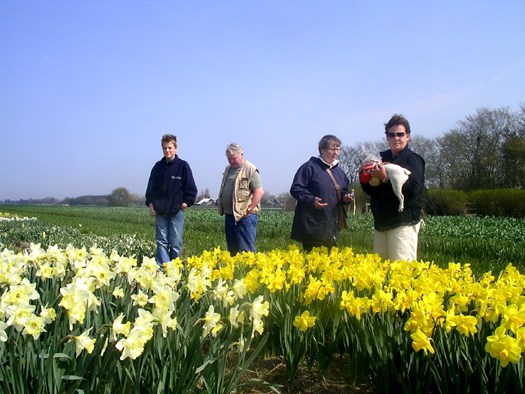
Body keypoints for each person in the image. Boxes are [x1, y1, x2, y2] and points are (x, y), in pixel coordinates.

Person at [359, 114, 425, 261]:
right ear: (387, 137)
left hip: (403, 222)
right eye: (391, 134)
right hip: (381, 222)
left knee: (401, 271)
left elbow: (412, 189)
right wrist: (365, 176)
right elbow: (370, 191)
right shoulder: (379, 159)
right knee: (380, 269)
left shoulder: (413, 159)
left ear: (408, 136)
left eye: (400, 134)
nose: (396, 138)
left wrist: (385, 178)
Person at [290, 134, 353, 252]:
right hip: (312, 225)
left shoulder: (339, 172)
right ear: (321, 150)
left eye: (338, 149)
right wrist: (312, 200)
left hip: (331, 224)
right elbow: (296, 188)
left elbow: (344, 190)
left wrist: (346, 197)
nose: (336, 152)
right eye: (332, 149)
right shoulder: (309, 167)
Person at [145, 134, 197, 268]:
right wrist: (150, 204)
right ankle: (163, 269)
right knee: (161, 241)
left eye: (170, 148)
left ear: (176, 148)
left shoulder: (183, 166)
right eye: (164, 148)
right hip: (160, 211)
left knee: (175, 242)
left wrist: (185, 203)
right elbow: (150, 189)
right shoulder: (157, 167)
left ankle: (175, 269)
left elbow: (191, 189)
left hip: (176, 212)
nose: (167, 151)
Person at [218, 143, 264, 255]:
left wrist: (249, 209)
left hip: (245, 217)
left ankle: (248, 271)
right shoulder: (228, 169)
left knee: (246, 250)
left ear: (242, 155)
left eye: (234, 158)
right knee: (232, 251)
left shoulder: (250, 169)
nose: (231, 161)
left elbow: (259, 192)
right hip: (230, 215)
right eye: (229, 159)